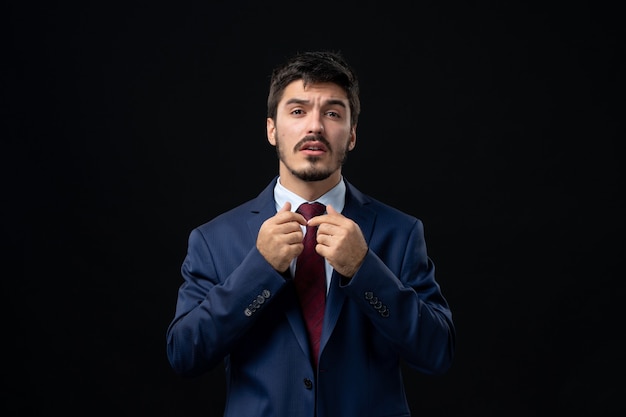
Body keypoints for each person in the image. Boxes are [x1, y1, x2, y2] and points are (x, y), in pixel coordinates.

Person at [166, 50, 455, 417]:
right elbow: (185, 355)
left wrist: (364, 269)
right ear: (272, 129)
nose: (314, 126)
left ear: (351, 135)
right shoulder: (213, 239)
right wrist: (259, 271)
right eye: (298, 111)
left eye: (332, 113)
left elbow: (437, 352)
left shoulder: (400, 232)